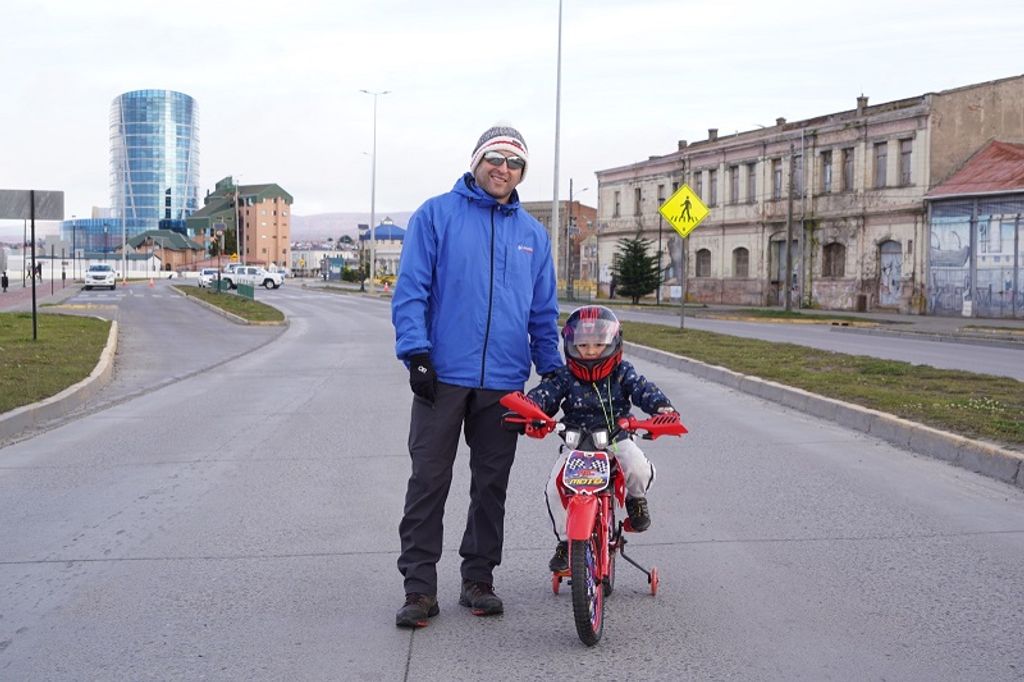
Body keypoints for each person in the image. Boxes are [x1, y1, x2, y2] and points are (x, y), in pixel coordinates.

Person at [390, 123, 562, 628]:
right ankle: (420, 589)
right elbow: (412, 291)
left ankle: (478, 579)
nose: (502, 169)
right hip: (442, 377)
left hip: (504, 382)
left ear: (521, 172)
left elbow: (541, 312)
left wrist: (552, 370)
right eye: (495, 159)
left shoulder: (532, 234)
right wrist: (416, 354)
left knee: (491, 485)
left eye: (513, 163)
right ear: (476, 161)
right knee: (428, 481)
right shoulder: (436, 216)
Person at [524, 305, 677, 573]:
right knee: (553, 489)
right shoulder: (564, 375)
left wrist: (662, 409)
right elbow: (545, 394)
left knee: (637, 466)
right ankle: (565, 540)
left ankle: (636, 499)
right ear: (570, 344)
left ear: (613, 343)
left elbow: (643, 389)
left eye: (598, 344)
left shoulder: (621, 372)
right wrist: (530, 408)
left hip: (616, 438)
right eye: (582, 344)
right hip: (576, 444)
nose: (591, 351)